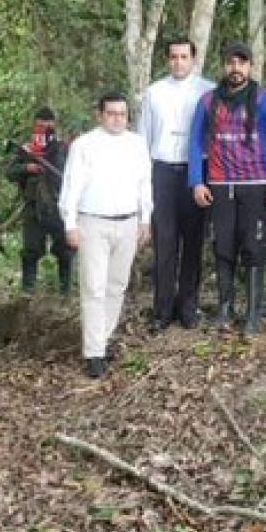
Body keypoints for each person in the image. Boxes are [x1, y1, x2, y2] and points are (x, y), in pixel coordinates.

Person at [189, 42, 266, 334]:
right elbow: (195, 142)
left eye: (242, 63)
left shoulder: (264, 99)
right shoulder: (208, 101)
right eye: (231, 63)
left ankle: (253, 314)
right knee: (223, 245)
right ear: (224, 66)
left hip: (256, 183)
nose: (236, 68)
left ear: (251, 66)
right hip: (220, 183)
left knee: (254, 246)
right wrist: (197, 180)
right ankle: (225, 308)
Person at [59, 93, 153, 378]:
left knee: (116, 285)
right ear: (100, 115)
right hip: (92, 222)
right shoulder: (84, 145)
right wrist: (70, 223)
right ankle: (94, 353)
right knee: (93, 287)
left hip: (127, 222)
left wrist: (145, 219)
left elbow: (144, 183)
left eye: (122, 114)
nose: (117, 119)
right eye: (111, 113)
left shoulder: (136, 144)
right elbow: (71, 185)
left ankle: (103, 338)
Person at [140, 38, 215, 332]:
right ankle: (162, 309)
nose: (178, 62)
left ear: (194, 59)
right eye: (173, 57)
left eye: (184, 57)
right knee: (165, 242)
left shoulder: (207, 91)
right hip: (162, 172)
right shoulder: (154, 92)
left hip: (196, 173)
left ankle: (188, 307)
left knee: (193, 241)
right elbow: (144, 137)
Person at [6, 107, 70, 294]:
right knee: (30, 251)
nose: (45, 129)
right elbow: (10, 173)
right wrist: (28, 167)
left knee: (65, 251)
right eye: (40, 126)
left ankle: (65, 292)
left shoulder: (62, 149)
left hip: (59, 208)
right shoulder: (27, 149)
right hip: (33, 208)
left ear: (54, 125)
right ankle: (28, 291)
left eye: (48, 126)